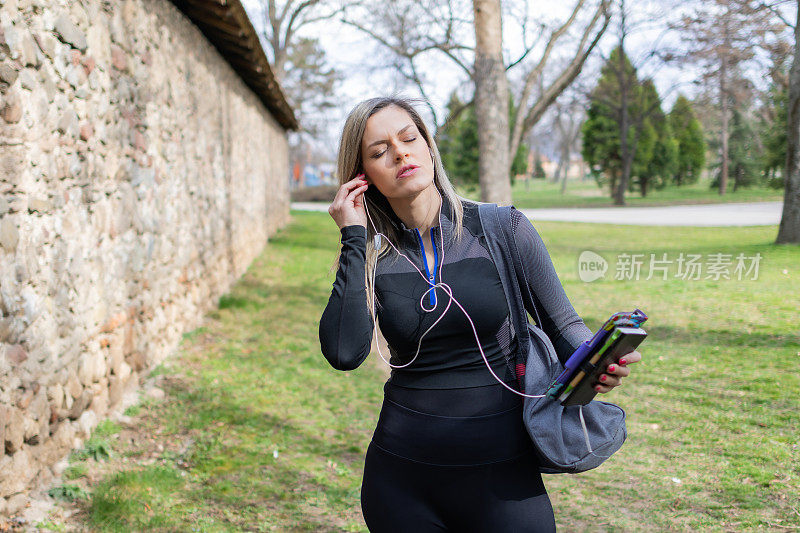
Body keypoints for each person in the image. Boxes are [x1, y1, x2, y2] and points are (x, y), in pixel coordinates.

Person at [319, 96, 642, 532]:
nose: (399, 153)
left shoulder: (501, 228)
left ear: (429, 147)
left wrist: (596, 360)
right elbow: (343, 352)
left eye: (409, 138)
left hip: (502, 476)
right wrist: (354, 238)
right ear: (363, 178)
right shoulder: (374, 259)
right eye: (379, 152)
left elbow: (562, 324)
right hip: (401, 481)